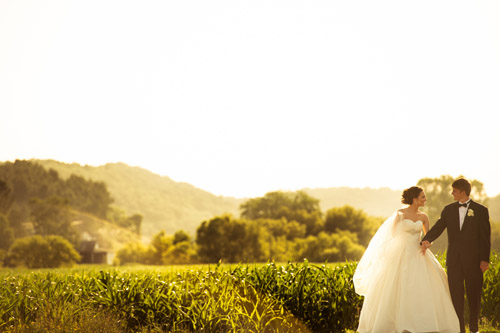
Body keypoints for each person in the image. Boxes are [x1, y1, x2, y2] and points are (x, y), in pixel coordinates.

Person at [353, 186, 460, 333]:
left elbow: (428, 237)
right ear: (415, 199)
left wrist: (426, 244)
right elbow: (390, 235)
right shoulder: (400, 214)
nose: (425, 199)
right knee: (396, 285)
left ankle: (424, 322)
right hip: (401, 253)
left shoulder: (424, 217)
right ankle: (393, 322)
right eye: (423, 197)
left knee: (423, 285)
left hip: (418, 252)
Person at [421, 178, 491, 333]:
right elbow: (439, 227)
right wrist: (426, 240)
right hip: (454, 262)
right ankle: (460, 329)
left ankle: (474, 329)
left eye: (454, 190)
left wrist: (484, 260)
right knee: (456, 297)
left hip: (474, 262)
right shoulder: (448, 209)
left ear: (462, 192)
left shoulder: (480, 210)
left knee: (474, 295)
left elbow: (485, 237)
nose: (452, 193)